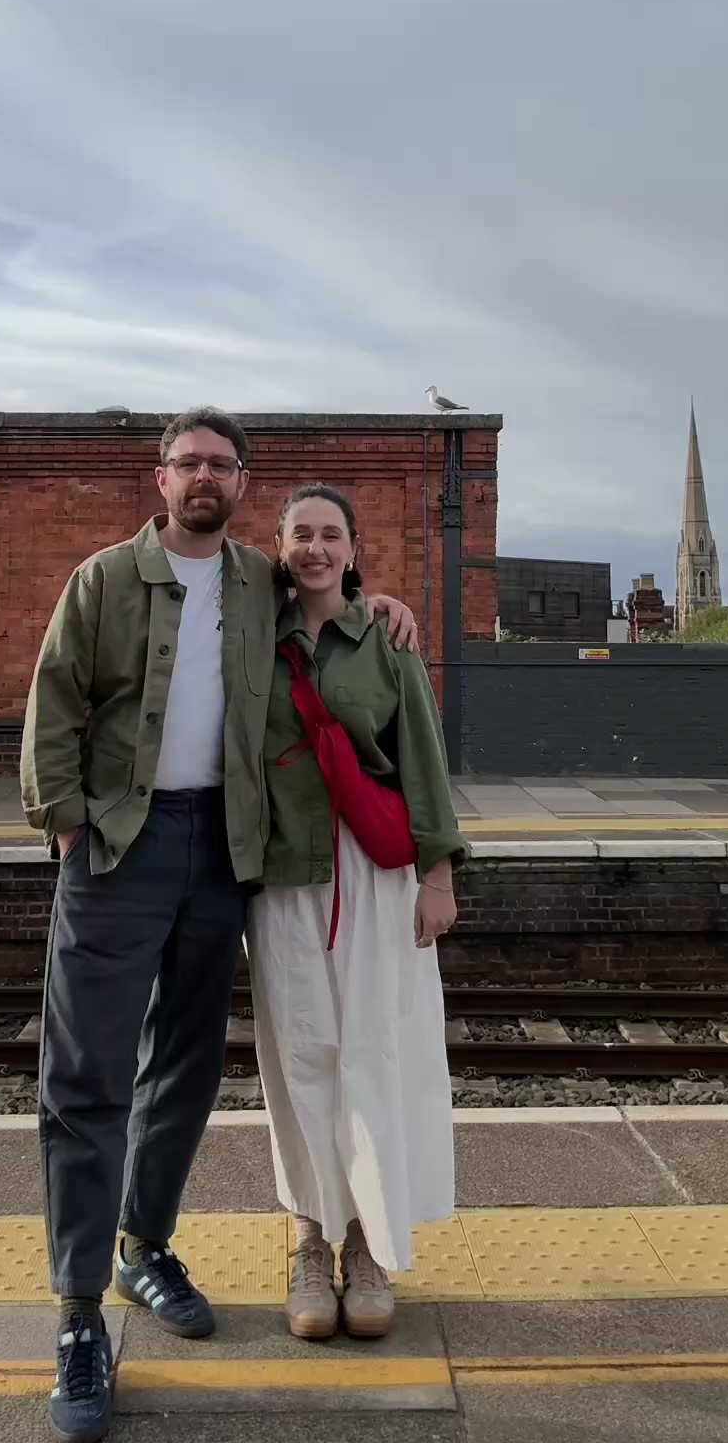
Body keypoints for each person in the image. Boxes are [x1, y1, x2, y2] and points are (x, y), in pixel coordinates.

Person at [20, 409, 419, 1443]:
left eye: (222, 465)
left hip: (222, 855)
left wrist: (386, 601)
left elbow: (336, 598)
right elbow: (53, 706)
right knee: (86, 1078)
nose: (205, 477)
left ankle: (145, 1246)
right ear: (159, 478)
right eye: (188, 462)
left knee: (187, 1066)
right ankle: (76, 1312)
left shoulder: (261, 582)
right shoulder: (103, 580)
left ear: (244, 484)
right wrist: (66, 827)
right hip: (120, 846)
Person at [247, 483, 463, 1343]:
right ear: (279, 543)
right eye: (301, 533)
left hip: (375, 871)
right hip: (281, 871)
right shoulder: (250, 636)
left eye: (330, 534)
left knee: (376, 1048)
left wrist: (439, 877)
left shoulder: (387, 640)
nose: (314, 548)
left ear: (351, 544)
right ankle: (309, 1233)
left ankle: (369, 1241)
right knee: (301, 1052)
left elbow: (423, 758)